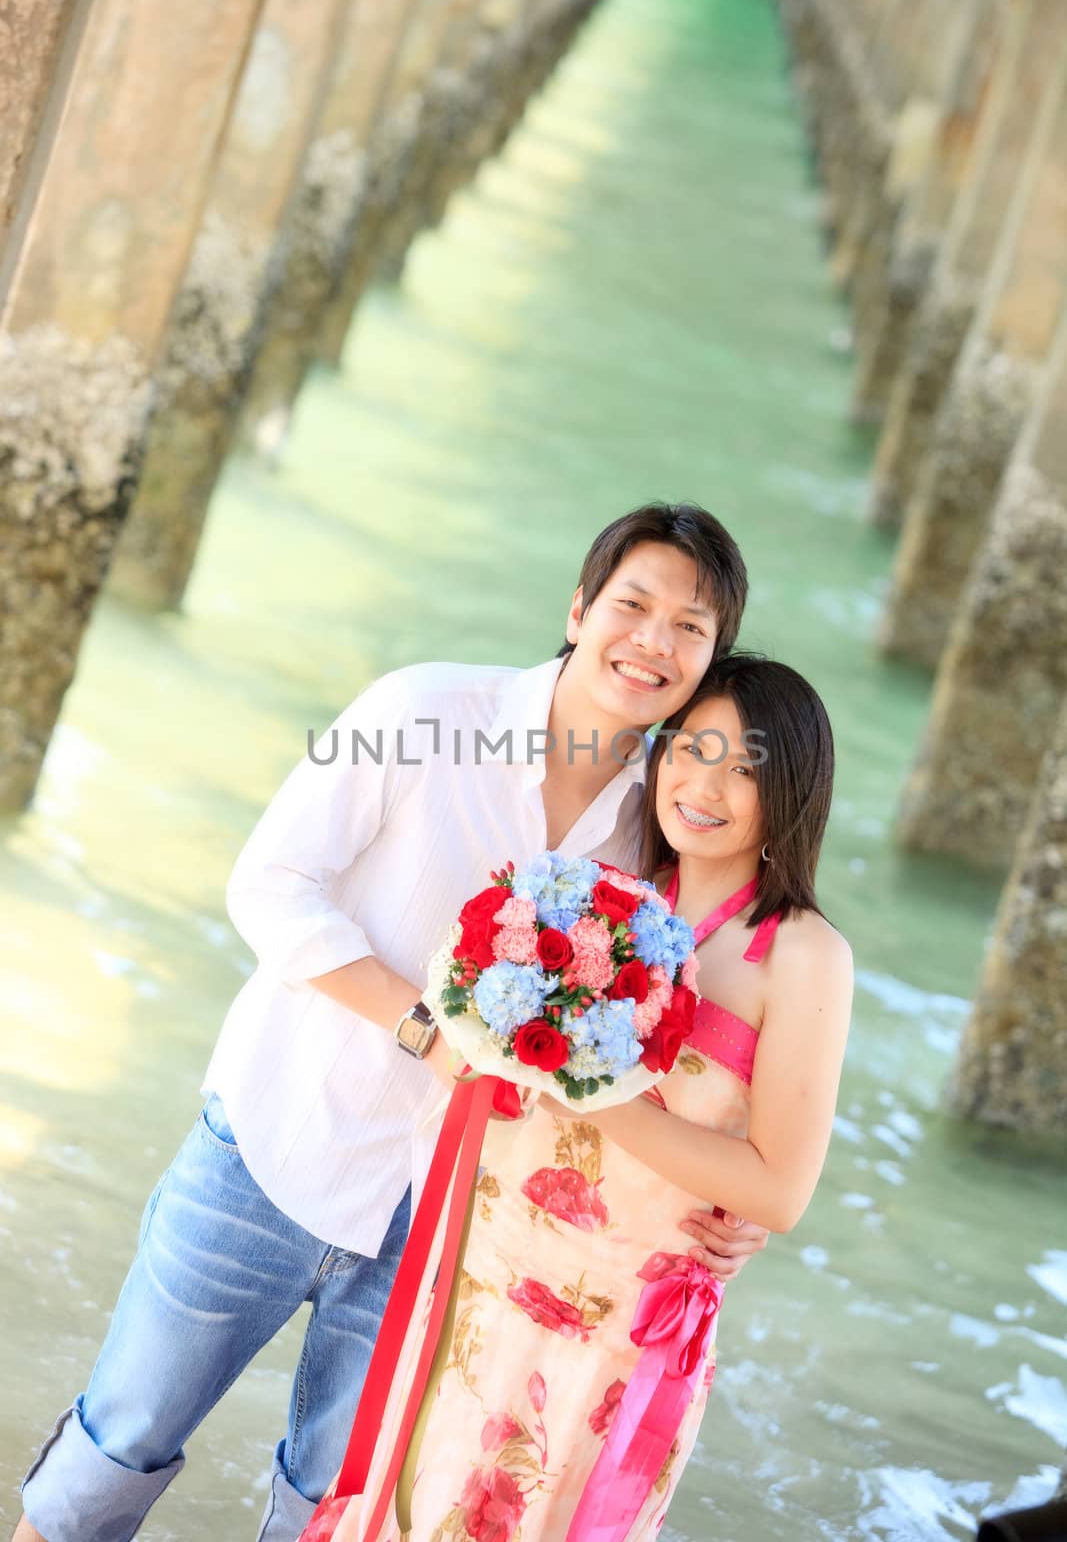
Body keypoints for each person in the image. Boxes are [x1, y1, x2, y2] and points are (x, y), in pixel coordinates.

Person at [15, 503, 771, 1542]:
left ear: (711, 660)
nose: (653, 641)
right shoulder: (423, 710)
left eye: (690, 627)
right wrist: (424, 1027)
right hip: (274, 1147)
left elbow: (690, 1029)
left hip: (453, 1229)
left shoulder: (667, 826)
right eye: (632, 605)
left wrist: (727, 1200)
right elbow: (269, 884)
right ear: (577, 607)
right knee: (116, 1448)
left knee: (337, 1506)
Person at [310, 653, 853, 1542]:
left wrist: (596, 1096)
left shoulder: (798, 954)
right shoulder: (606, 894)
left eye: (744, 769)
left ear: (790, 789)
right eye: (690, 750)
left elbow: (778, 1192)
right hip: (482, 1277)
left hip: (609, 1333)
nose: (703, 786)